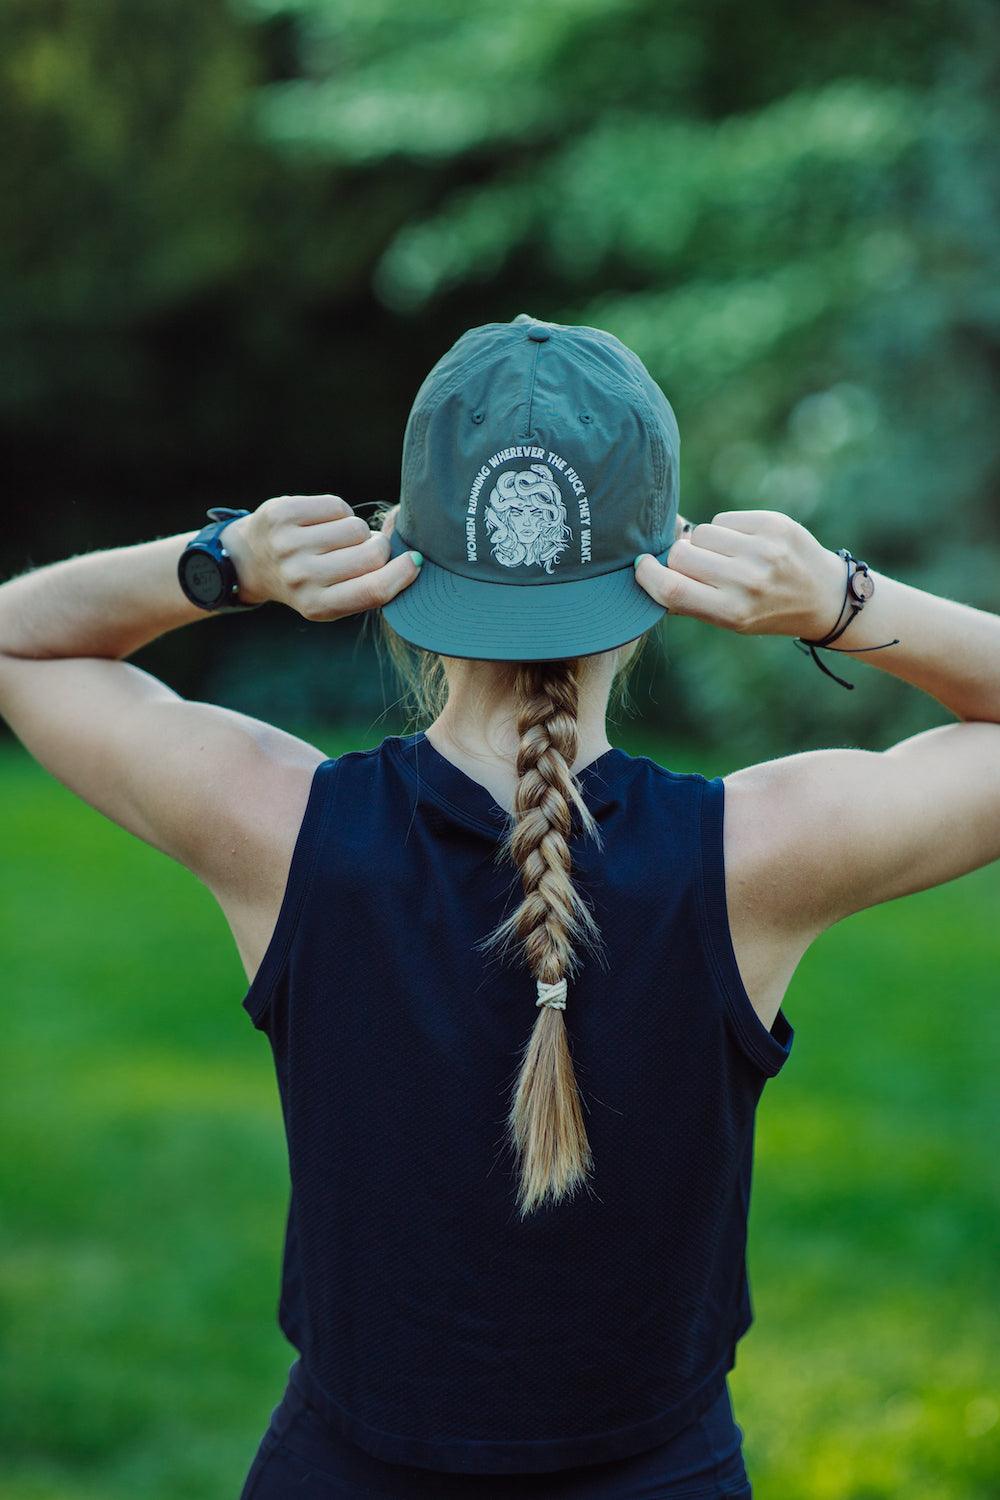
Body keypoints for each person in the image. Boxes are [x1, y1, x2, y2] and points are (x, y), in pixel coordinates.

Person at [1, 315, 997, 1500]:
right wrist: (838, 597)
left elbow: (21, 644)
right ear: (664, 568)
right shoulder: (759, 853)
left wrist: (226, 561)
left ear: (400, 557)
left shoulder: (279, 827)